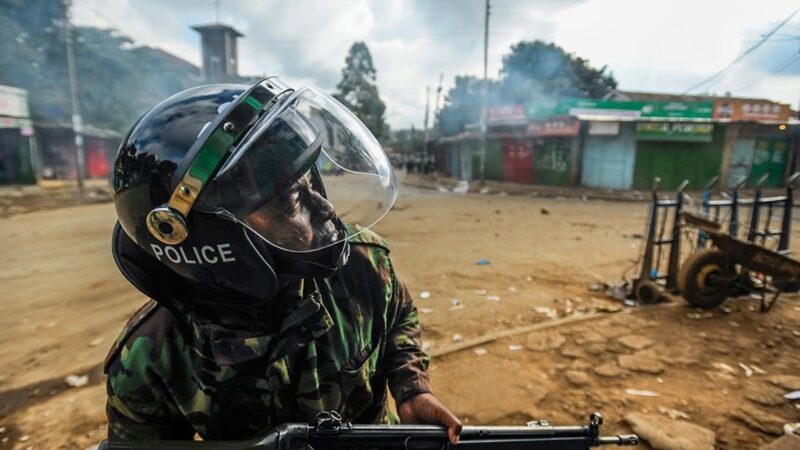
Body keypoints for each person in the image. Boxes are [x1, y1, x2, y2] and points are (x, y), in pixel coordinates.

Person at [104, 77, 462, 443]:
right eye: (292, 200)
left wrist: (411, 387)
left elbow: (398, 313)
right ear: (219, 244)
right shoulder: (151, 357)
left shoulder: (360, 262)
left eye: (311, 182)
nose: (325, 210)